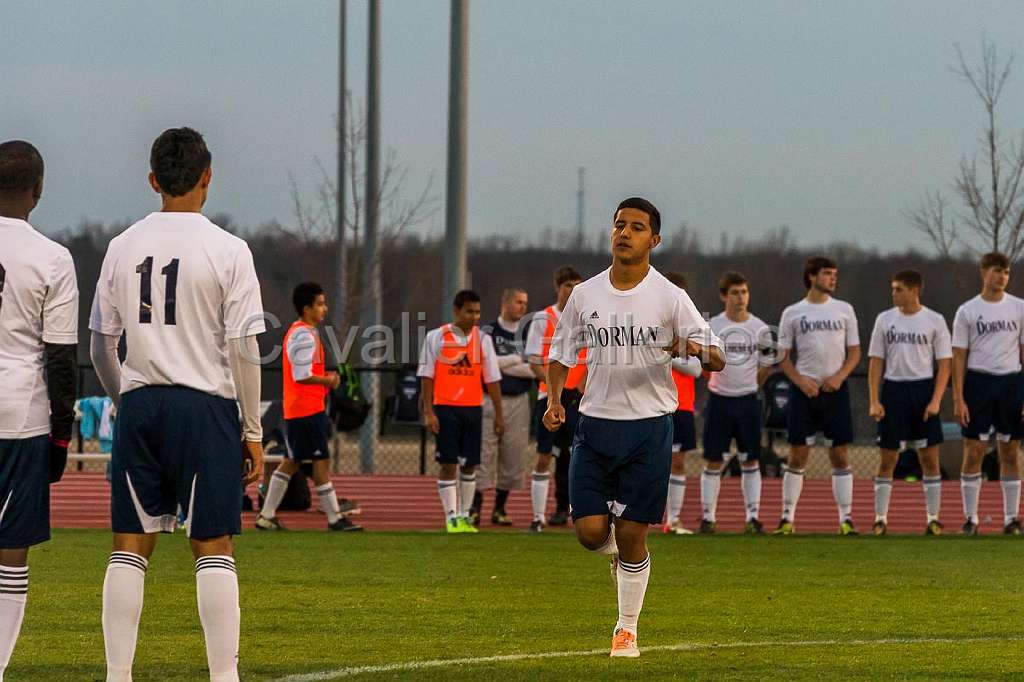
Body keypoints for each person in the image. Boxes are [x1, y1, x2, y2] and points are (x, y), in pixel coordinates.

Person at [90, 128, 265, 682]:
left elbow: (100, 343)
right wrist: (253, 429)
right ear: (208, 177)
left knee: (129, 546)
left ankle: (118, 675)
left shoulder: (122, 245)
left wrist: (128, 398)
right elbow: (244, 348)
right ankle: (223, 676)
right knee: (213, 543)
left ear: (152, 181)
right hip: (205, 408)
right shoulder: (229, 249)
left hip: (142, 405)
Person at [544, 197, 724, 658]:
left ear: (654, 240)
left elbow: (718, 355)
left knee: (632, 536)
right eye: (619, 225)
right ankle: (622, 564)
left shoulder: (670, 296)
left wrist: (690, 346)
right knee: (588, 533)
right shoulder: (585, 295)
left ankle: (626, 629)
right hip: (594, 425)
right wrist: (554, 401)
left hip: (648, 430)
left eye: (637, 227)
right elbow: (561, 354)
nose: (624, 233)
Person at [0, 141, 78, 679]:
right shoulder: (52, 257)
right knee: (10, 557)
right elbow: (61, 359)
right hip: (19, 417)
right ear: (39, 188)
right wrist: (60, 437)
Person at [255, 282, 362, 532]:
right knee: (319, 462)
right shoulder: (304, 334)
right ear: (306, 308)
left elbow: (303, 371)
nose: (324, 309)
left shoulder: (302, 331)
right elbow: (302, 374)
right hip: (306, 410)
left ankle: (266, 515)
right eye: (320, 304)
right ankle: (334, 518)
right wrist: (329, 379)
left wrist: (324, 376)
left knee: (292, 461)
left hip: (302, 409)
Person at [775, 256, 861, 535]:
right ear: (812, 277)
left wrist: (839, 377)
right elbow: (783, 357)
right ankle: (787, 518)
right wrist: (801, 382)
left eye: (835, 274)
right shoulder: (793, 312)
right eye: (827, 274)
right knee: (798, 454)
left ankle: (846, 519)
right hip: (805, 392)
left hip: (836, 391)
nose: (833, 279)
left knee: (840, 454)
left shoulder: (845, 309)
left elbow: (855, 351)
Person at [868, 270, 951, 536]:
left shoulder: (934, 320)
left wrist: (936, 400)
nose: (894, 294)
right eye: (893, 289)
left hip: (923, 389)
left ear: (915, 291)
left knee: (929, 459)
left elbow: (944, 364)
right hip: (894, 390)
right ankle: (880, 519)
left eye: (898, 289)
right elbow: (876, 361)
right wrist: (874, 400)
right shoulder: (885, 319)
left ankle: (933, 519)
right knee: (888, 459)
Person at [418, 290, 504, 533]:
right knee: (448, 464)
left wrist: (498, 414)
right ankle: (451, 516)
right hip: (445, 409)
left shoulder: (483, 340)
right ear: (456, 311)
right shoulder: (437, 337)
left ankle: (466, 515)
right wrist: (429, 412)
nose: (474, 317)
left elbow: (492, 380)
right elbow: (426, 376)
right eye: (469, 311)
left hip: (473, 410)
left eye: (477, 312)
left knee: (469, 465)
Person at [951, 252, 1024, 536]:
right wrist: (958, 397)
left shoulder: (1019, 307)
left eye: (1006, 272)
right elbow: (958, 356)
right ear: (983, 272)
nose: (1002, 277)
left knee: (1009, 452)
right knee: (974, 452)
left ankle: (1011, 519)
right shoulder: (967, 311)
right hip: (978, 383)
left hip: (1010, 383)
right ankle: (971, 518)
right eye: (997, 271)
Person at [698, 271, 774, 534]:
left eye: (744, 292)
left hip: (748, 402)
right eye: (735, 293)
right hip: (719, 400)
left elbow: (766, 366)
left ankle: (752, 517)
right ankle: (708, 517)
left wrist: (750, 386)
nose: (741, 298)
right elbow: (705, 362)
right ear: (724, 296)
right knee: (712, 460)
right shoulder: (713, 326)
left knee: (751, 460)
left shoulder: (760, 328)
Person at [525, 266, 584, 531]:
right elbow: (535, 361)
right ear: (558, 287)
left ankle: (568, 508)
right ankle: (538, 517)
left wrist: (581, 385)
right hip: (549, 396)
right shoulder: (543, 318)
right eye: (567, 285)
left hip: (579, 397)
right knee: (544, 455)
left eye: (576, 285)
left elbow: (591, 358)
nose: (572, 291)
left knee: (573, 455)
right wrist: (553, 392)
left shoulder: (585, 318)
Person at [472, 288, 534, 527]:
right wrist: (516, 360)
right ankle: (474, 508)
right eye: (518, 302)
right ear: (505, 302)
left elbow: (533, 368)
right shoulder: (487, 331)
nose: (523, 307)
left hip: (518, 400)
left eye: (525, 302)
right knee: (483, 454)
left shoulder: (528, 334)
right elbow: (483, 364)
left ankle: (500, 508)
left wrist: (500, 364)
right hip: (487, 399)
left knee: (513, 455)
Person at [661, 272, 701, 535]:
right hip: (651, 404)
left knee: (677, 462)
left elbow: (697, 368)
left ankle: (672, 520)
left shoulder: (692, 328)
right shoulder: (648, 324)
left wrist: (668, 355)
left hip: (682, 404)